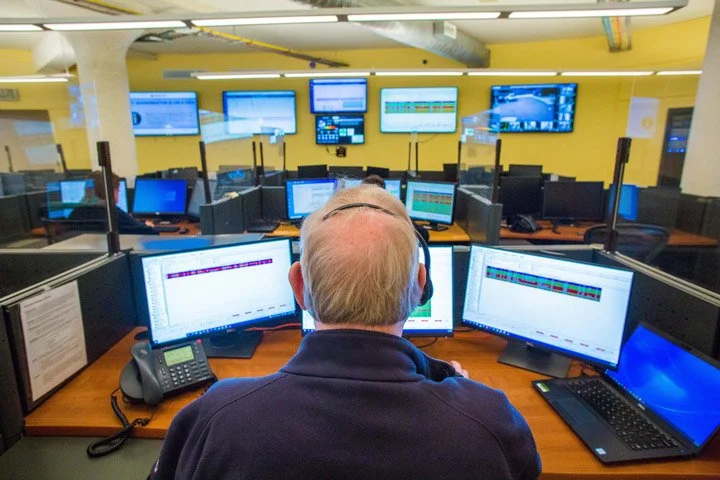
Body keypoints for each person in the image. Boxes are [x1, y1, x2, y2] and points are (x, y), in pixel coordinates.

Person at [149, 185, 541, 480]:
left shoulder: (216, 416)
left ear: (298, 285)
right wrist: (465, 398)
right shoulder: (490, 420)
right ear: (421, 286)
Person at [68, 171, 157, 235]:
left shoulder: (75, 213)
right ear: (110, 191)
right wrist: (148, 226)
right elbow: (147, 232)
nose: (117, 196)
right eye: (117, 191)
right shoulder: (112, 212)